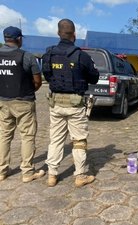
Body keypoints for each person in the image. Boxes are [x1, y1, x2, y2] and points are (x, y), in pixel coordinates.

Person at [42, 19, 99, 187]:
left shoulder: (49, 54)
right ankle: (80, 176)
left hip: (56, 103)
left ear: (58, 34)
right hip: (75, 105)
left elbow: (47, 75)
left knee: (56, 140)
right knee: (79, 141)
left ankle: (52, 175)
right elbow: (94, 78)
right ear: (74, 35)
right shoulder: (82, 55)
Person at [0, 26, 45, 183]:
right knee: (27, 136)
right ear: (19, 39)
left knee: (4, 136)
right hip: (24, 101)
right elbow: (38, 80)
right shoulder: (26, 56)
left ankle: (2, 171)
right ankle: (27, 172)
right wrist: (31, 89)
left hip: (3, 102)